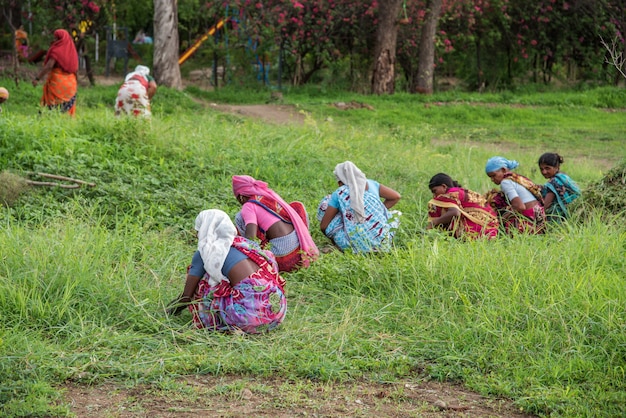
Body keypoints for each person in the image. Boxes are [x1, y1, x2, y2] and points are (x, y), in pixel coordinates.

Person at [167, 209, 287, 334]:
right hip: (277, 310)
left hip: (249, 320)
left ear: (204, 230)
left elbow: (186, 297)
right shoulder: (244, 244)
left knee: (204, 282)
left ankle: (223, 322)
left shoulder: (206, 253)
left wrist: (168, 311)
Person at [232, 175, 318, 272]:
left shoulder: (248, 206)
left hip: (283, 259)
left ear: (241, 197)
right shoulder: (267, 196)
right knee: (296, 206)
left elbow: (250, 237)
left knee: (240, 217)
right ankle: (307, 244)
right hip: (300, 254)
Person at [317, 161, 401, 252]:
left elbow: (323, 226)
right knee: (395, 214)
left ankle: (340, 246)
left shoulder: (340, 193)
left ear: (341, 181)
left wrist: (332, 240)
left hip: (355, 244)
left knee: (325, 205)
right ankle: (381, 243)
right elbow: (396, 196)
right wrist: (376, 212)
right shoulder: (371, 183)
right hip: (383, 243)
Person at [427, 173, 499, 239]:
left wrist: (434, 223)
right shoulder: (460, 191)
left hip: (480, 232)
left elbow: (455, 212)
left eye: (434, 191)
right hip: (492, 230)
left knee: (441, 208)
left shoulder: (451, 194)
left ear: (444, 186)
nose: (434, 195)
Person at [485, 156, 545, 234]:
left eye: (493, 175)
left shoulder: (505, 182)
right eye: (490, 177)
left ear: (503, 170)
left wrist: (501, 220)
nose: (492, 179)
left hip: (530, 216)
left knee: (505, 228)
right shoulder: (516, 178)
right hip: (540, 215)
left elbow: (520, 207)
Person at [32, 29, 79, 116]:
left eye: (56, 38)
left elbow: (49, 66)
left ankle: (45, 121)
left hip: (58, 84)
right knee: (66, 111)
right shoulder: (72, 52)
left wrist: (37, 78)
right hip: (71, 84)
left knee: (51, 106)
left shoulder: (56, 51)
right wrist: (76, 84)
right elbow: (76, 69)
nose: (54, 40)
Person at [538, 153, 581, 222]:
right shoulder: (564, 177)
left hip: (559, 218)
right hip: (575, 212)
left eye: (547, 168)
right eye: (541, 169)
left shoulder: (553, 183)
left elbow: (546, 207)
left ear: (556, 167)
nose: (544, 172)